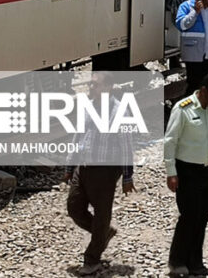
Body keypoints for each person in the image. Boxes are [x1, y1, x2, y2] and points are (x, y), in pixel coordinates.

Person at [64, 71, 135, 275]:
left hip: (105, 170)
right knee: (74, 207)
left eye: (95, 85)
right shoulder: (88, 106)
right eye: (91, 85)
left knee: (102, 214)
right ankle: (103, 234)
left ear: (108, 87)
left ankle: (92, 259)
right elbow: (79, 136)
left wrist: (127, 176)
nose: (90, 88)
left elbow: (126, 146)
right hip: (83, 166)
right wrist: (70, 167)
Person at [164, 72, 208, 278]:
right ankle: (177, 261)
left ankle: (195, 261)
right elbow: (170, 142)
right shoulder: (183, 108)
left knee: (202, 217)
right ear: (204, 91)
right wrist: (171, 173)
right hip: (187, 170)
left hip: (206, 169)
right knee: (188, 217)